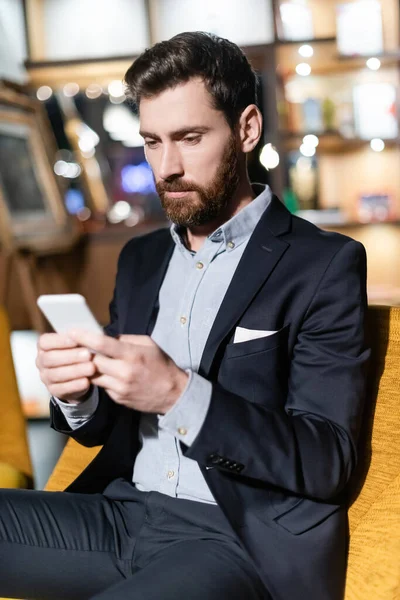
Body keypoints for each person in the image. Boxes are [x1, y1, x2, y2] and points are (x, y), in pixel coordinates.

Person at [0, 32, 370, 600]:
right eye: (151, 142)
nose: (166, 166)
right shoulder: (142, 259)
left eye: (189, 138)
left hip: (235, 539)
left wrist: (179, 393)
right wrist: (78, 395)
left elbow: (326, 460)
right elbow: (105, 428)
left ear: (246, 128)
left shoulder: (323, 264)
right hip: (120, 514)